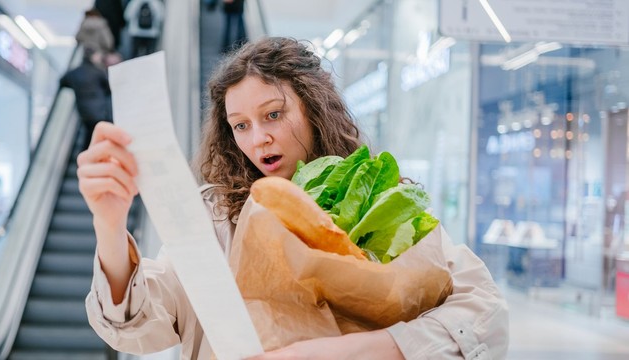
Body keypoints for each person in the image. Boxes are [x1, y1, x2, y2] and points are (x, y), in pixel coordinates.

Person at [79, 37, 509, 359]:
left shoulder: (381, 200)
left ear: (314, 107)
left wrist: (369, 349)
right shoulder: (215, 213)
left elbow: (484, 314)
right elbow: (142, 323)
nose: (259, 138)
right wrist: (110, 225)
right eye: (240, 125)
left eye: (273, 114)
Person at [60, 47, 113, 151]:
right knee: (100, 134)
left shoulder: (74, 73)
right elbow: (109, 88)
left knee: (89, 135)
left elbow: (62, 82)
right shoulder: (97, 72)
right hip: (99, 111)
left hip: (84, 113)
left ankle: (85, 157)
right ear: (93, 56)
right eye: (98, 55)